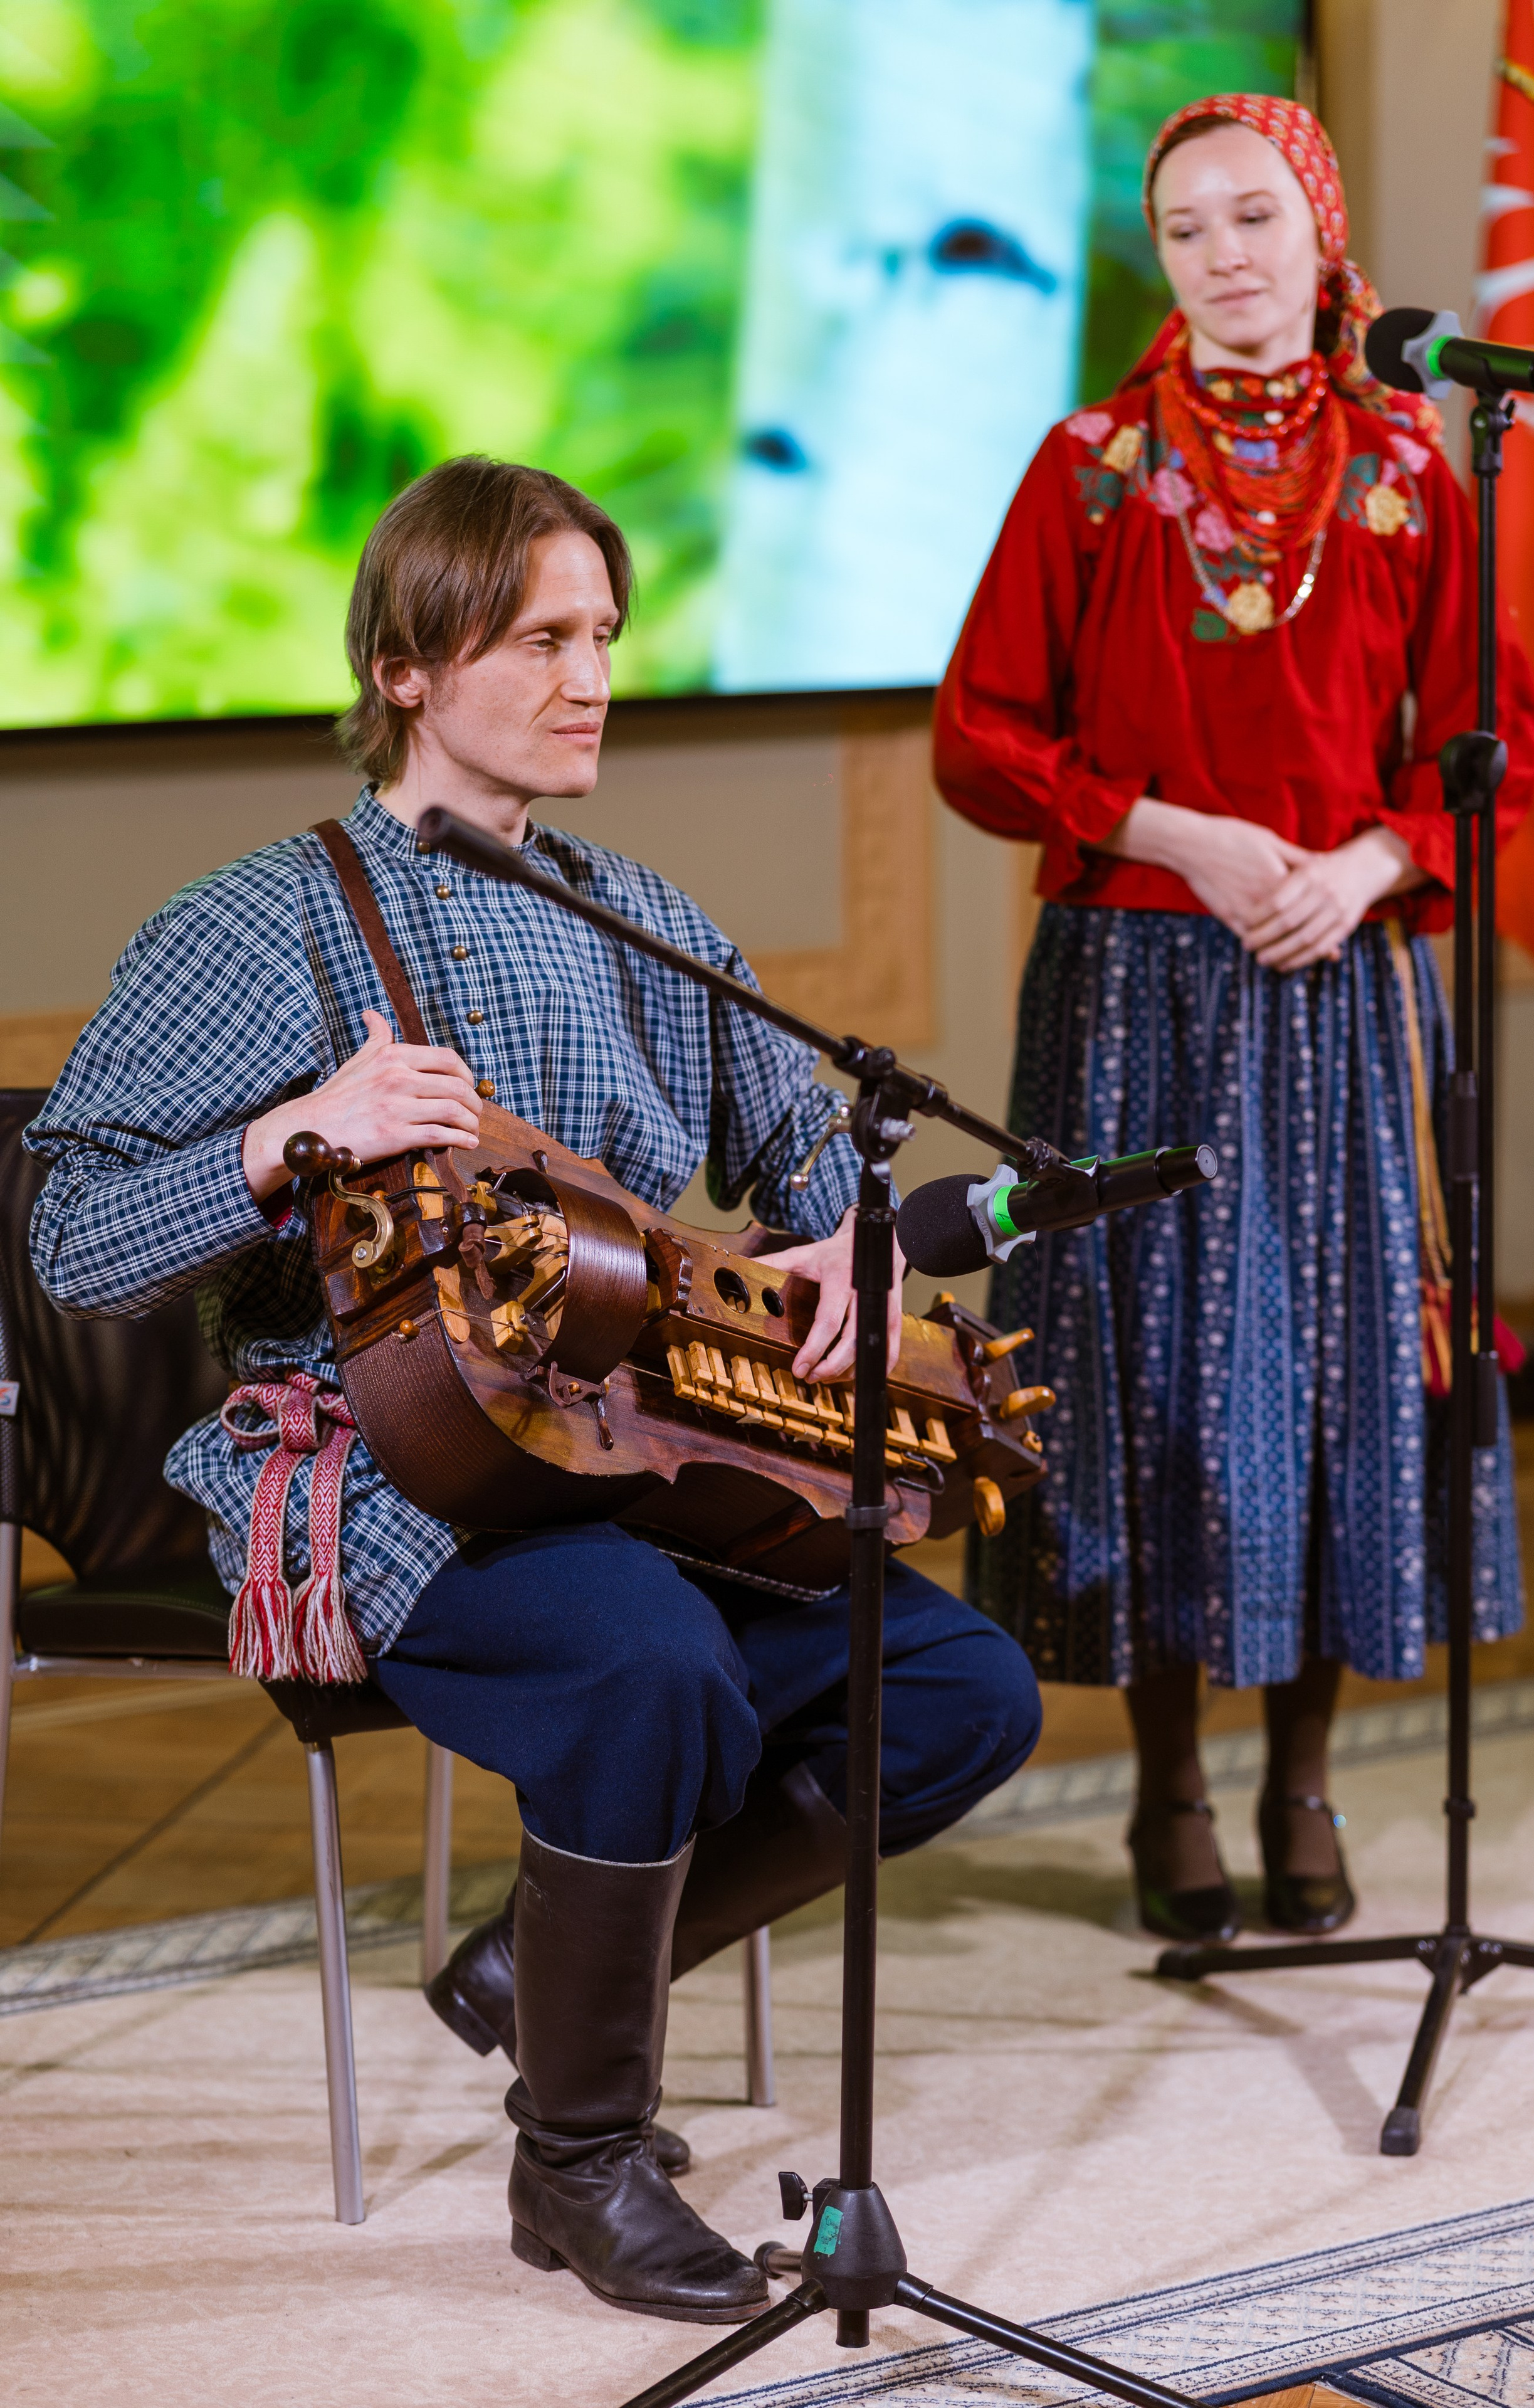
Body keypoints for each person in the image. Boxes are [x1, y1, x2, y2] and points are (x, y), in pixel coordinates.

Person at [26, 456, 1042, 2324]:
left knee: (965, 1690)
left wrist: (848, 1259)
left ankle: (528, 1974)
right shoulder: (263, 924)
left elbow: (812, 1189)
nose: (594, 676)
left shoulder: (640, 912)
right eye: (544, 638)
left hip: (640, 1447)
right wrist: (288, 1134)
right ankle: (576, 2162)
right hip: (391, 1462)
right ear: (409, 662)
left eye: (607, 636)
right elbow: (71, 1240)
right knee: (649, 1670)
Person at [933, 95, 1534, 1945]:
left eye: (1255, 216)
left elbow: (1486, 751)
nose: (1225, 255)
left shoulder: (1414, 470)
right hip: (1135, 980)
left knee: (1338, 1367)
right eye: (1186, 228)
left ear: (1322, 226)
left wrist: (1358, 874)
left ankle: (1302, 1781)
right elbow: (981, 735)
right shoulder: (1093, 465)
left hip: (1337, 982)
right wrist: (1185, 835)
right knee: (1153, 1377)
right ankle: (1175, 1790)